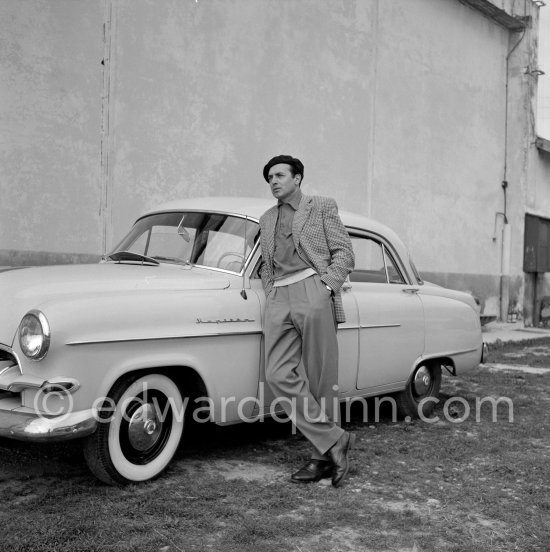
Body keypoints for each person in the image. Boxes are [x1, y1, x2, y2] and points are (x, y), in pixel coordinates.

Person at [258, 154, 356, 487]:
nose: (273, 181)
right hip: (278, 298)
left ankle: (319, 459)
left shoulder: (322, 206)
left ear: (297, 178)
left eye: (279, 175)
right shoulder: (266, 218)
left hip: (313, 289)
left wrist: (325, 287)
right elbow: (265, 263)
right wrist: (270, 290)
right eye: (269, 177)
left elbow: (345, 251)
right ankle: (334, 439)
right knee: (277, 374)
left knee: (320, 377)